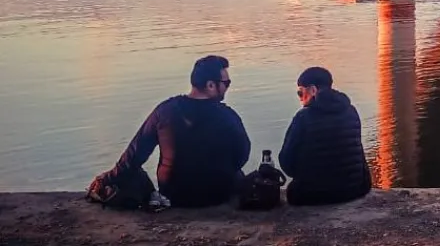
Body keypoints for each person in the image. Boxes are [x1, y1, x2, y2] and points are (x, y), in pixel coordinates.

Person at [110, 55, 251, 207]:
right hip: (218, 195)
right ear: (210, 85)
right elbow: (242, 155)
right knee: (239, 175)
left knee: (133, 173)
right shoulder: (228, 116)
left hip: (173, 195)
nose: (227, 87)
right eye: (226, 83)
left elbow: (135, 154)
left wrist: (109, 178)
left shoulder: (164, 111)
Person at [279, 67, 371, 205]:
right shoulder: (351, 111)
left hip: (313, 195)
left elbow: (286, 163)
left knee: (293, 191)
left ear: (313, 90)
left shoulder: (303, 117)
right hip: (354, 191)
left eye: (300, 92)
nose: (300, 98)